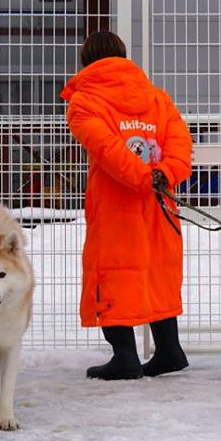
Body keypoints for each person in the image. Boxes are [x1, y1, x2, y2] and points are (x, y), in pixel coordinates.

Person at [61, 30, 194, 379]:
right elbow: (180, 141)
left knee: (114, 270)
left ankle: (124, 356)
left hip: (116, 202)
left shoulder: (84, 102)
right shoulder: (157, 98)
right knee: (156, 269)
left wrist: (141, 176)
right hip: (159, 200)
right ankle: (169, 349)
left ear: (86, 61)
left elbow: (107, 149)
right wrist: (163, 174)